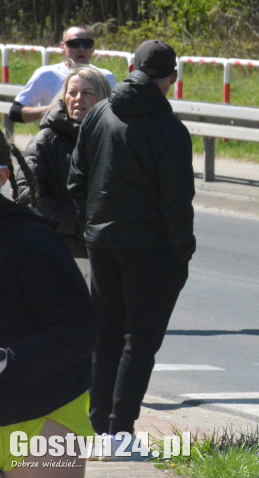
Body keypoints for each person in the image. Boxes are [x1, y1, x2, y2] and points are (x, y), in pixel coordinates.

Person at [68, 40, 195, 443]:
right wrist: (183, 250)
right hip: (152, 249)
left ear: (130, 67)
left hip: (102, 242)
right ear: (171, 79)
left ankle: (97, 424)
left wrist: (90, 225)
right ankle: (120, 430)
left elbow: (77, 180)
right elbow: (177, 201)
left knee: (105, 334)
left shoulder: (99, 114)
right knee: (138, 341)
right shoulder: (171, 130)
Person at [1, 132, 97, 477]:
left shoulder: (33, 242)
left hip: (41, 411)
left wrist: (8, 360)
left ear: (2, 176)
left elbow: (79, 330)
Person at [16, 66, 112, 260]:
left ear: (102, 99)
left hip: (104, 253)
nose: (78, 99)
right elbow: (28, 193)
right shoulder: (46, 140)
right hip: (57, 250)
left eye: (86, 93)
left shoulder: (114, 140)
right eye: (72, 93)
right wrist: (74, 224)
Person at [8, 25, 116, 124]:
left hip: (93, 140)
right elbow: (15, 112)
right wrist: (56, 109)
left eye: (87, 44)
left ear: (93, 48)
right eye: (74, 44)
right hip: (57, 140)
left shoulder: (105, 77)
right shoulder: (46, 74)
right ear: (62, 46)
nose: (81, 49)